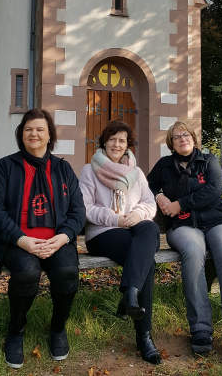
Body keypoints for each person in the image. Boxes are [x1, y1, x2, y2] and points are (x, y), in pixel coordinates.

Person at [0, 109, 86, 369]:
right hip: (16, 241)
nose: (34, 134)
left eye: (40, 129)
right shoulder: (6, 166)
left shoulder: (63, 169)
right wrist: (21, 239)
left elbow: (78, 211)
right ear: (21, 134)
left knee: (66, 270)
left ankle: (57, 328)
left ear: (49, 134)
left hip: (56, 240)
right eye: (28, 129)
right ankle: (16, 331)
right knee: (28, 272)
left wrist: (63, 237)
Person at [147, 121, 222, 363]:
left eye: (186, 134)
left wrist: (180, 203)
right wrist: (159, 195)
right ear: (171, 143)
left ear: (193, 138)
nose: (183, 138)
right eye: (177, 136)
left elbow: (214, 190)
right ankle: (201, 329)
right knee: (193, 254)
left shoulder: (209, 161)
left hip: (217, 222)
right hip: (183, 226)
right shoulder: (164, 165)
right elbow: (147, 184)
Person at [79, 120, 161, 365]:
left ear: (128, 145)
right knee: (147, 262)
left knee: (149, 228)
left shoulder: (136, 173)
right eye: (112, 139)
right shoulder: (89, 170)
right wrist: (115, 218)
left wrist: (136, 216)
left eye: (122, 140)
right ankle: (144, 336)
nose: (117, 144)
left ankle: (130, 294)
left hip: (134, 230)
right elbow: (85, 208)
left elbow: (149, 203)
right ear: (104, 141)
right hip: (103, 234)